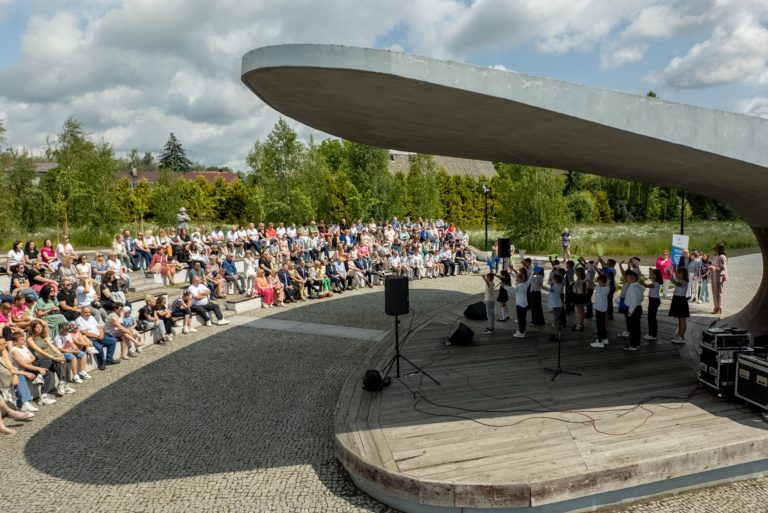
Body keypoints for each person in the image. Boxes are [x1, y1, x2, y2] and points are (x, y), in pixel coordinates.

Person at [76, 306, 118, 371]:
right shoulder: (79, 320)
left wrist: (101, 334)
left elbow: (98, 327)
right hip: (90, 339)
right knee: (99, 348)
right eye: (86, 312)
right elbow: (83, 332)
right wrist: (97, 336)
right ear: (81, 312)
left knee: (113, 341)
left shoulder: (92, 317)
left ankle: (109, 360)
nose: (88, 314)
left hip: (99, 336)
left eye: (89, 312)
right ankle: (102, 363)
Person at [622, 271, 644, 352]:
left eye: (627, 277)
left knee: (632, 328)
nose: (626, 278)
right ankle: (636, 344)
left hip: (633, 309)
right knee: (636, 328)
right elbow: (641, 298)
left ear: (632, 278)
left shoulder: (632, 287)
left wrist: (630, 311)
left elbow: (634, 301)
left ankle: (633, 345)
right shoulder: (639, 286)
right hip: (638, 308)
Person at [669, 268, 690, 344]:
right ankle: (679, 334)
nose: (677, 274)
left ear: (683, 275)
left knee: (682, 319)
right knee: (680, 319)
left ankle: (681, 336)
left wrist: (671, 278)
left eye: (679, 273)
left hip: (681, 301)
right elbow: (676, 281)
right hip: (677, 300)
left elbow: (677, 283)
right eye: (677, 273)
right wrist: (673, 273)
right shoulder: (681, 281)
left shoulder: (684, 282)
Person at [641, 269, 663, 342]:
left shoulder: (656, 283)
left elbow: (647, 285)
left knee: (651, 317)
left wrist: (640, 281)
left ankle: (653, 334)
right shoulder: (655, 282)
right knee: (651, 317)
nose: (649, 275)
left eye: (651, 274)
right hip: (653, 301)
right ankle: (651, 333)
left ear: (655, 276)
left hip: (654, 301)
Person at [510, 266, 532, 338]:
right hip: (524, 304)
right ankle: (522, 330)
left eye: (517, 279)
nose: (516, 280)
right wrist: (534, 272)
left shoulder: (519, 286)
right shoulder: (525, 284)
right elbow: (530, 279)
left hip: (519, 305)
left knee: (520, 319)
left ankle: (521, 333)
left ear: (520, 280)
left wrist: (505, 286)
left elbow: (512, 291)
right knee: (523, 318)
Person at [590, 274, 610, 348]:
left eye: (599, 281)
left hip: (599, 309)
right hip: (603, 308)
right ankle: (605, 339)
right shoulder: (606, 288)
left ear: (601, 281)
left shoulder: (601, 288)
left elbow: (595, 286)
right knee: (602, 324)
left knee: (599, 325)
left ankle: (599, 341)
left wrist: (589, 281)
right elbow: (596, 286)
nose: (598, 282)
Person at [710, 244, 728, 315]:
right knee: (714, 292)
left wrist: (715, 268)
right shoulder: (715, 256)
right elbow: (713, 264)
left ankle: (719, 308)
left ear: (720, 249)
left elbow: (723, 267)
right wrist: (710, 266)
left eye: (717, 249)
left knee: (719, 292)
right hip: (713, 275)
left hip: (719, 276)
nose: (715, 250)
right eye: (715, 248)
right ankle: (716, 306)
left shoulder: (722, 256)